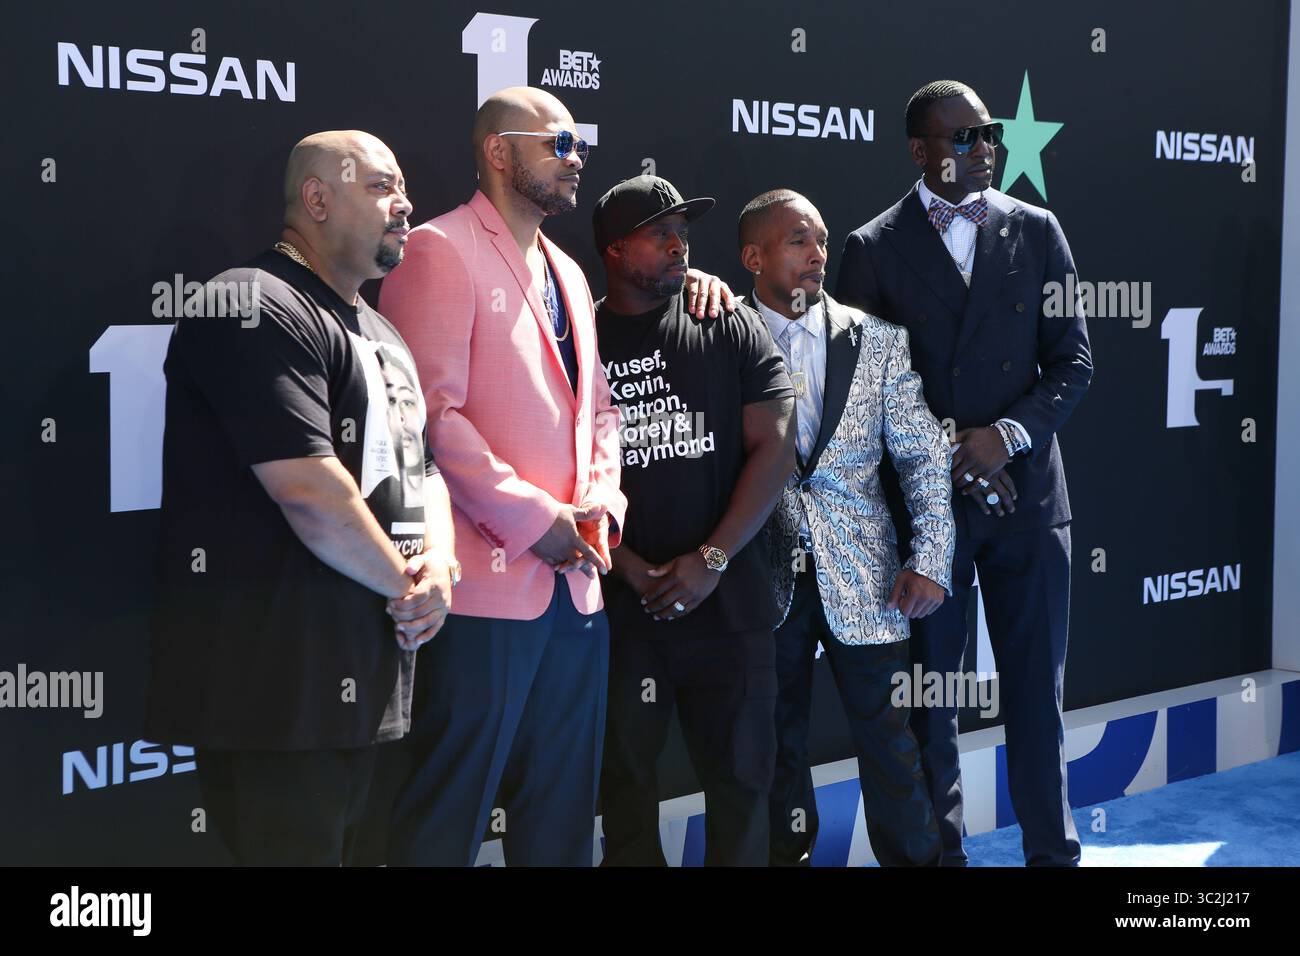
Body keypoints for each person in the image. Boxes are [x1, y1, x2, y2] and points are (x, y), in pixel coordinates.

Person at [146, 130, 458, 866]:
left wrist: (440, 566)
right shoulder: (251, 303)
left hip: (377, 690)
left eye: (405, 187)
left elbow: (425, 472)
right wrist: (407, 588)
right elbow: (308, 489)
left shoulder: (382, 331)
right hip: (277, 699)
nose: (405, 204)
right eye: (383, 185)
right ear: (317, 197)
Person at [836, 80, 1093, 866]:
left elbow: (1072, 362)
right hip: (926, 517)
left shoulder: (1038, 231)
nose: (985, 149)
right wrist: (956, 452)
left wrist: (1006, 437)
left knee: (1035, 702)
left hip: (1028, 501)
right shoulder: (871, 249)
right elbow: (863, 395)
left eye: (989, 135)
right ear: (921, 152)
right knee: (929, 708)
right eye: (965, 138)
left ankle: (1053, 857)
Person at [738, 189, 953, 866]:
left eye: (823, 240)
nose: (818, 255)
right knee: (774, 744)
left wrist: (932, 557)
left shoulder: (878, 341)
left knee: (892, 742)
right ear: (754, 256)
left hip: (868, 576)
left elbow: (922, 455)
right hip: (760, 578)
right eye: (800, 240)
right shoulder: (719, 336)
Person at [592, 176, 795, 866]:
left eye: (684, 231)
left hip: (730, 605)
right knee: (623, 791)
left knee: (741, 788)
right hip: (621, 611)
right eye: (659, 233)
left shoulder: (725, 318)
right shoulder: (576, 337)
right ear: (615, 250)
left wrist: (711, 560)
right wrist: (622, 564)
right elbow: (555, 469)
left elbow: (777, 444)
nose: (679, 244)